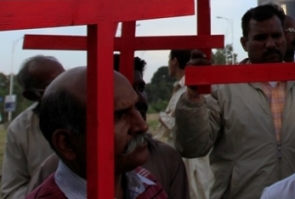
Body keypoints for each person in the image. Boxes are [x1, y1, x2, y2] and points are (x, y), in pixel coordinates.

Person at [174, 4, 295, 199]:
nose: (271, 44)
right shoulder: (224, 87)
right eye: (260, 38)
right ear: (244, 43)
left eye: (276, 36)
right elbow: (193, 147)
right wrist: (193, 96)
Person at [29, 56, 189, 199]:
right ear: (66, 143)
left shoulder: (146, 185)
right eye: (118, 116)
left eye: (135, 108)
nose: (142, 126)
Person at [1, 56, 64, 199]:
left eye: (65, 77)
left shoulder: (96, 115)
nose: (66, 86)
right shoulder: (20, 130)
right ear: (31, 95)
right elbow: (11, 192)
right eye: (52, 85)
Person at [157, 49, 214, 199]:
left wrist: (163, 117)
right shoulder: (180, 89)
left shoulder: (189, 89)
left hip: (194, 160)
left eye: (169, 60)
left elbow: (181, 124)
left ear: (174, 61)